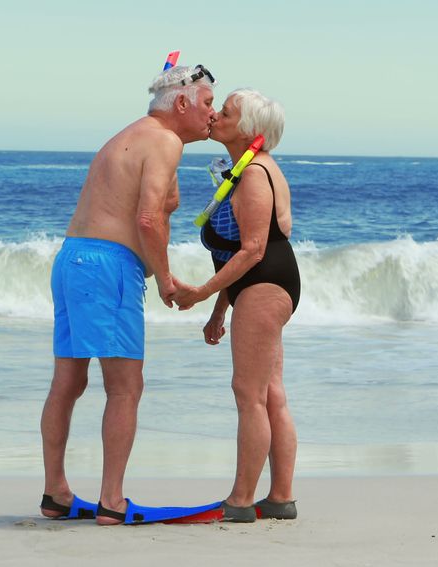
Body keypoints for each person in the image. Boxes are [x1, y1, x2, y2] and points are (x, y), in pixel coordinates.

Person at [40, 64, 217, 526]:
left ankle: (55, 492)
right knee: (126, 387)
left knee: (69, 381)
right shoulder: (165, 141)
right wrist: (165, 278)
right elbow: (147, 220)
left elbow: (156, 204)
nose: (212, 115)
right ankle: (112, 501)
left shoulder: (135, 135)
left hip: (72, 259)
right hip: (108, 268)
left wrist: (168, 200)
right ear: (181, 103)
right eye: (207, 103)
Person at [174, 89, 300, 522]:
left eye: (224, 113)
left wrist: (202, 292)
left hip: (264, 283)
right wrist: (220, 310)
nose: (215, 117)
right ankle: (280, 497)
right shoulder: (251, 167)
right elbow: (238, 252)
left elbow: (251, 250)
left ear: (248, 129)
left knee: (248, 394)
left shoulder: (254, 174)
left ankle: (242, 500)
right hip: (265, 284)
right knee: (269, 393)